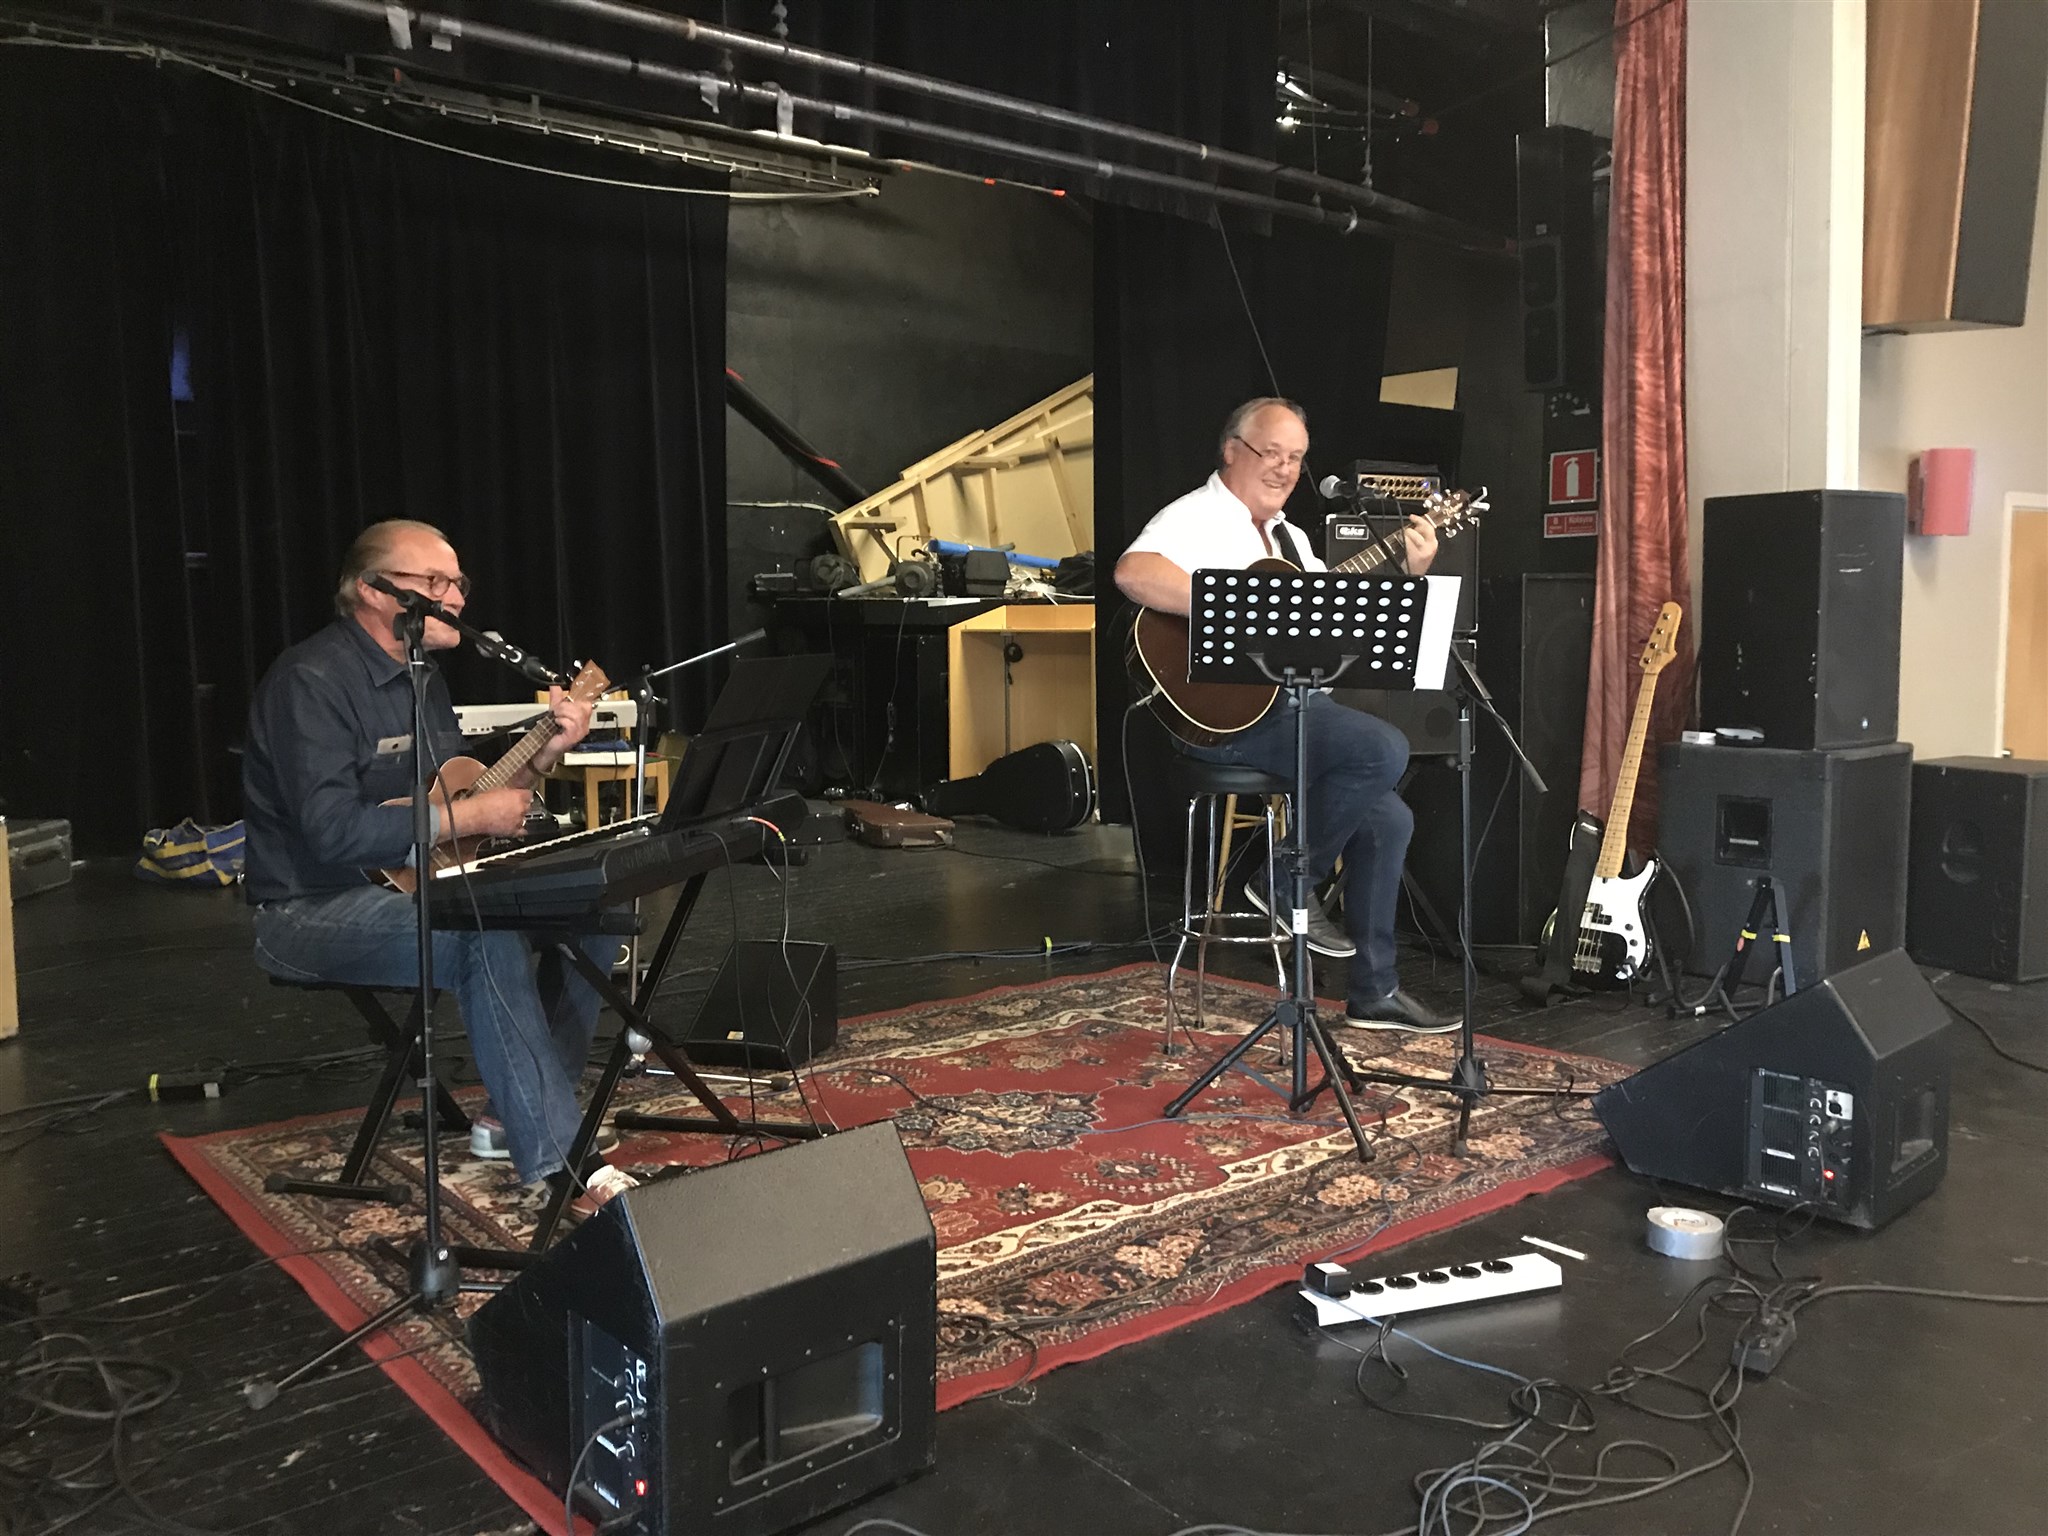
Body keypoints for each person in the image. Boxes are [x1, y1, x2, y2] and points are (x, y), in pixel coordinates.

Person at [242, 519, 636, 1205]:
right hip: (308, 908)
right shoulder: (311, 681)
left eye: (458, 583)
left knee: (598, 903)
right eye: (434, 582)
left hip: (416, 887)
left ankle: (513, 1115)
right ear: (371, 590)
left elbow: (462, 802)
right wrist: (471, 818)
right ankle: (565, 1162)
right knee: (481, 936)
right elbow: (333, 833)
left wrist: (543, 754)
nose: (455, 597)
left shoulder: (424, 681)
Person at [1114, 396, 1452, 1033]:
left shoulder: (1293, 540)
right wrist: (1237, 607)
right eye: (1272, 453)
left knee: (1391, 819)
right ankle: (1282, 881)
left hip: (1286, 709)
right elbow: (1133, 574)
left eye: (1296, 457)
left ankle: (1374, 990)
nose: (1285, 469)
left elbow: (1337, 619)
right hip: (1221, 721)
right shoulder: (1195, 515)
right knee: (1382, 748)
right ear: (1231, 450)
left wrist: (1408, 573)